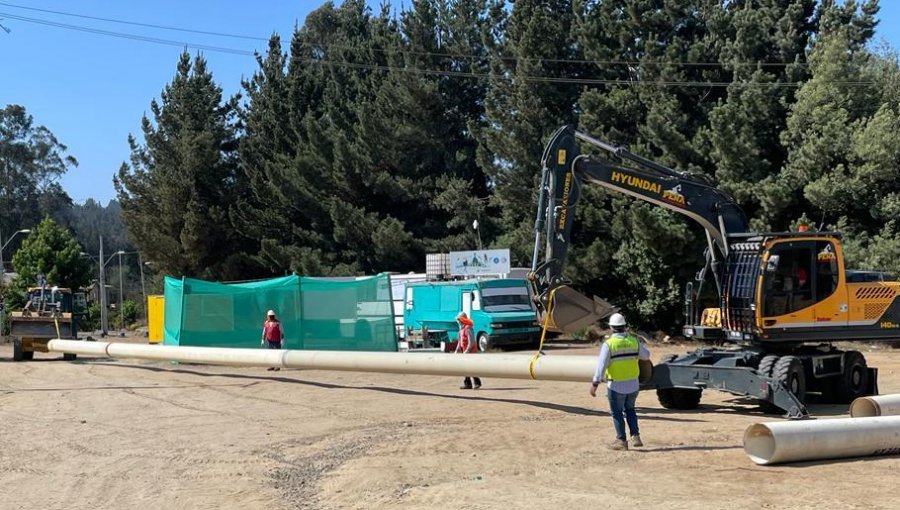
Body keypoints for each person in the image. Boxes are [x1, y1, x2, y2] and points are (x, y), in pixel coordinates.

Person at [589, 312, 650, 451]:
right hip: (633, 384)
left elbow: (601, 366)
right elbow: (646, 356)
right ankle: (635, 436)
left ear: (611, 327)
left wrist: (594, 384)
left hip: (616, 385)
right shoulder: (633, 341)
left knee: (617, 413)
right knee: (630, 410)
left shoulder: (609, 344)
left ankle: (621, 441)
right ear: (624, 326)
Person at [454, 311, 482, 389]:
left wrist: (467, 350)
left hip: (470, 352)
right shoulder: (461, 329)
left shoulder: (468, 328)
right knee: (465, 367)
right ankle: (468, 383)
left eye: (459, 319)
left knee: (471, 367)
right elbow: (460, 341)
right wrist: (457, 350)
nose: (457, 321)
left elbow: (471, 341)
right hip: (465, 351)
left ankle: (477, 382)